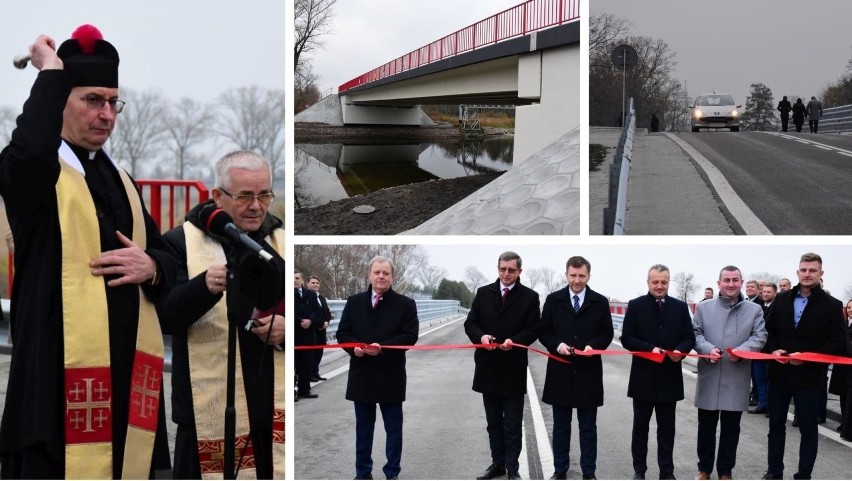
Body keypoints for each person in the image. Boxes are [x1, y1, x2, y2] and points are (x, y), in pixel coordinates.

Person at [0, 25, 180, 478]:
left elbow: (167, 256)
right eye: (92, 100)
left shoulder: (121, 180)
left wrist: (152, 265)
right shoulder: (35, 174)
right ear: (60, 98)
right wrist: (51, 73)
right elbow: (28, 152)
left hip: (127, 387)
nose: (106, 114)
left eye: (112, 102)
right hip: (54, 387)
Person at [156, 150, 285, 478]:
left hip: (270, 407)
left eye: (265, 194)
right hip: (204, 413)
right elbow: (164, 317)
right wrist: (204, 287)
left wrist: (289, 329)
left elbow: (306, 308)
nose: (256, 206)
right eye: (244, 196)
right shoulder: (179, 242)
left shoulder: (281, 242)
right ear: (217, 196)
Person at [762, 253, 846, 480]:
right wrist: (773, 350)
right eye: (803, 270)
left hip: (809, 377)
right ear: (797, 271)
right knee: (776, 426)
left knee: (808, 430)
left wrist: (808, 357)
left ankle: (804, 475)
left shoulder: (832, 305)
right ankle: (774, 472)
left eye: (812, 270)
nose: (807, 274)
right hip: (779, 373)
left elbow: (839, 344)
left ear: (821, 273)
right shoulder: (781, 299)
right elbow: (767, 332)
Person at [336, 256, 419, 481]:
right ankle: (363, 473)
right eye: (377, 272)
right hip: (361, 376)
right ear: (369, 274)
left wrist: (382, 348)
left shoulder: (405, 304)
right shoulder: (354, 302)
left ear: (392, 276)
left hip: (390, 376)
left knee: (393, 431)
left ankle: (392, 473)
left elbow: (410, 337)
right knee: (363, 431)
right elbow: (342, 333)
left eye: (386, 273)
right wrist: (354, 349)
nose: (381, 276)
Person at [465, 251, 541, 481]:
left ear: (519, 271)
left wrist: (515, 341)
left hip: (513, 368)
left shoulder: (530, 297)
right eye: (502, 269)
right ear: (498, 268)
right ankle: (497, 463)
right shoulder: (483, 293)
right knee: (493, 423)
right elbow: (471, 323)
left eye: (511, 270)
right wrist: (482, 337)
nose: (506, 274)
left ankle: (513, 469)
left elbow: (533, 329)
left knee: (513, 424)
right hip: (488, 366)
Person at [538, 256, 613, 481]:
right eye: (573, 275)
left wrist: (594, 346)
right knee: (561, 427)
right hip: (560, 371)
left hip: (588, 372)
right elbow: (544, 331)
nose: (577, 280)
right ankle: (560, 470)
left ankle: (588, 472)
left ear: (589, 275)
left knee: (588, 428)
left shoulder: (600, 301)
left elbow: (607, 333)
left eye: (582, 276)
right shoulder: (553, 300)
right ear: (566, 274)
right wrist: (557, 345)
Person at [620, 264, 695, 481]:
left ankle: (666, 472)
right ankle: (639, 471)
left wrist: (681, 351)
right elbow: (627, 338)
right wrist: (649, 349)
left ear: (669, 282)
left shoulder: (680, 307)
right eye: (655, 282)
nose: (660, 286)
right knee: (640, 430)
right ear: (648, 282)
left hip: (669, 377)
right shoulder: (635, 306)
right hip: (643, 377)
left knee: (667, 431)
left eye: (664, 282)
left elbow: (688, 336)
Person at [692, 265, 767, 481]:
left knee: (731, 429)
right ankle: (704, 469)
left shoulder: (754, 310)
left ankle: (725, 472)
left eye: (735, 280)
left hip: (737, 376)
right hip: (710, 375)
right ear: (719, 283)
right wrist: (708, 349)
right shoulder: (704, 308)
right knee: (705, 428)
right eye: (727, 280)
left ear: (742, 283)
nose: (731, 284)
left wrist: (742, 351)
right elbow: (694, 333)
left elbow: (760, 335)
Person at [749, 283, 777, 415]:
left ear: (774, 294)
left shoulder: (777, 309)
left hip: (770, 351)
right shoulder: (758, 308)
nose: (765, 294)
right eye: (764, 292)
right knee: (759, 379)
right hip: (757, 351)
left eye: (769, 292)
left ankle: (771, 406)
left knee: (770, 380)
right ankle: (763, 404)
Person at [294, 270, 321, 400]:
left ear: (302, 280)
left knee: (305, 364)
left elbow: (318, 310)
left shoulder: (310, 294)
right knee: (292, 365)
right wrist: (299, 321)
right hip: (294, 334)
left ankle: (304, 389)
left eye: (297, 278)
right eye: (292, 278)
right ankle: (291, 392)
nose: (294, 281)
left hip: (308, 335)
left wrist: (310, 320)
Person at [829, 299, 852, 435]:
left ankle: (848, 429)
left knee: (849, 398)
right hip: (842, 367)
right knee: (843, 396)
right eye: (849, 307)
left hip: (850, 367)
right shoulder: (844, 323)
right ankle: (844, 423)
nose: (850, 310)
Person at [307, 275, 332, 382]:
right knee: (310, 353)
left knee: (319, 352)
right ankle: (309, 374)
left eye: (317, 283)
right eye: (313, 283)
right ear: (308, 284)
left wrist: (326, 322)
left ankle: (315, 372)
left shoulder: (321, 298)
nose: (315, 285)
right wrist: (320, 323)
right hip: (312, 330)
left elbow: (327, 311)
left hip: (322, 330)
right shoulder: (306, 297)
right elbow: (310, 313)